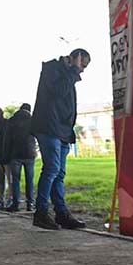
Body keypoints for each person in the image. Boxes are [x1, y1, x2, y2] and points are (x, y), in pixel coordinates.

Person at [30, 49, 90, 231]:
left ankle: (61, 213)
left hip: (63, 130)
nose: (82, 70)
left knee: (60, 174)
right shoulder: (52, 69)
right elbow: (58, 92)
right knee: (52, 169)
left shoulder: (67, 74)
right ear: (73, 59)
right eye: (82, 65)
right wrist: (73, 71)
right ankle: (40, 213)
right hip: (49, 127)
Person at [1, 103, 37, 212]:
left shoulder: (11, 121)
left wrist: (5, 155)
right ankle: (30, 204)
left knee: (15, 180)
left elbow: (6, 139)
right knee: (29, 180)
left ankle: (16, 204)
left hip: (15, 154)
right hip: (29, 154)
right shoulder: (32, 120)